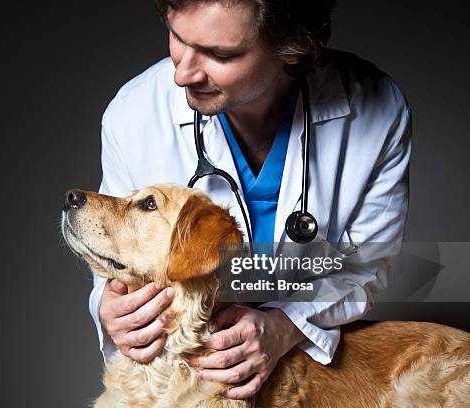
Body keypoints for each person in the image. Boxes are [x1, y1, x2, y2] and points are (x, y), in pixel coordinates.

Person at [89, 0, 411, 400]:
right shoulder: (134, 113)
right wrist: (112, 306)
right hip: (187, 370)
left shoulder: (376, 110)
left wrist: (284, 326)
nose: (182, 73)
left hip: (307, 370)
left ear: (292, 49)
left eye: (221, 54)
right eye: (177, 36)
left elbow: (365, 263)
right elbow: (118, 251)